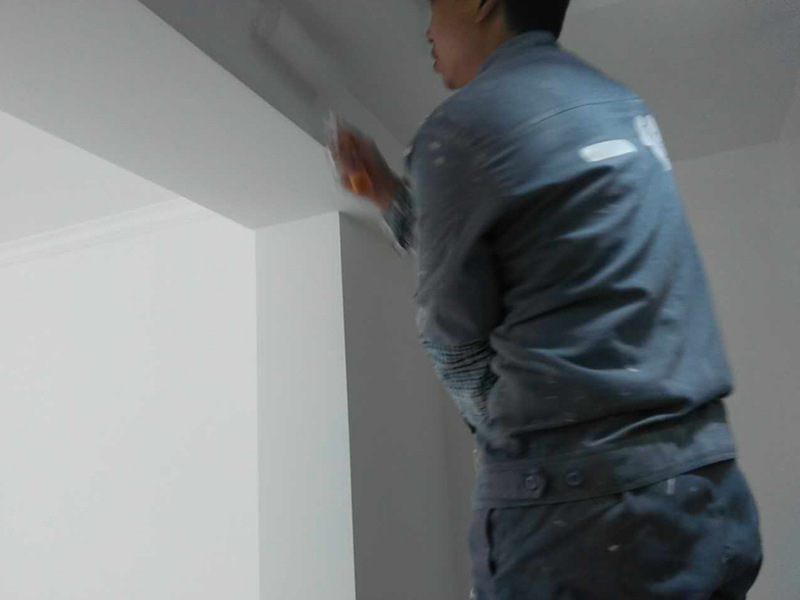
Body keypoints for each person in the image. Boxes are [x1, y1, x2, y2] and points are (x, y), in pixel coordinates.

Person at [329, 0, 763, 598]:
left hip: (582, 525)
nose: (426, 29)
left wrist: (502, 451)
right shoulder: (621, 105)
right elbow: (559, 266)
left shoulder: (459, 128)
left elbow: (456, 348)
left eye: (433, 5)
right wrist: (389, 195)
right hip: (705, 495)